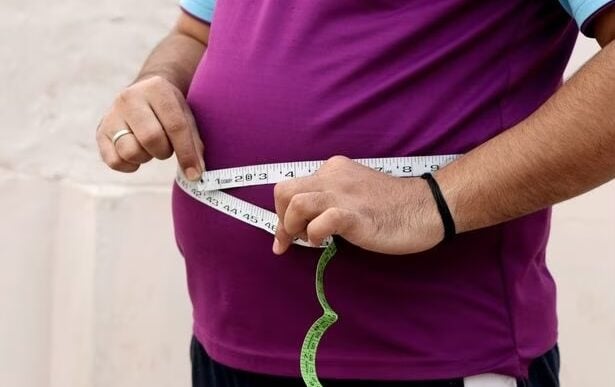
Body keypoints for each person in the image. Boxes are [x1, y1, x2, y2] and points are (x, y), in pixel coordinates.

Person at [95, 0, 615, 386]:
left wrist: (431, 200)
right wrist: (155, 83)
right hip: (224, 347)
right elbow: (195, 32)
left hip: (432, 359)